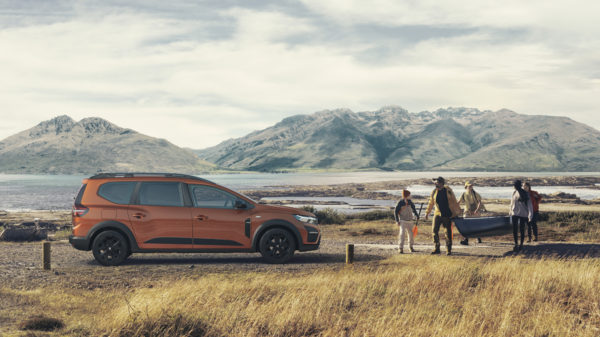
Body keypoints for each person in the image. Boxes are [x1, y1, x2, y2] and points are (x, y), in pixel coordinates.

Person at [424, 177, 461, 255]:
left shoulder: (448, 191)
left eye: (437, 182)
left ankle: (448, 249)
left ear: (441, 183)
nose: (435, 184)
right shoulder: (434, 191)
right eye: (435, 183)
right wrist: (427, 212)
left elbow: (454, 201)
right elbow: (431, 203)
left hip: (447, 214)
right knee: (434, 231)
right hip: (437, 214)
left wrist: (456, 213)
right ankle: (437, 248)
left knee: (447, 232)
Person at [509, 179, 533, 252]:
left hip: (523, 214)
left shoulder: (525, 193)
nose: (514, 187)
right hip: (515, 213)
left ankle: (521, 244)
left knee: (522, 229)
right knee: (514, 229)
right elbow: (511, 202)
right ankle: (516, 244)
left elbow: (529, 205)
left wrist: (530, 215)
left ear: (516, 186)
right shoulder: (514, 192)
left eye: (514, 185)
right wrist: (510, 211)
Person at [394, 189, 420, 253]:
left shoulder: (410, 202)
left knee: (411, 235)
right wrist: (397, 220)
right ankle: (400, 248)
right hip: (402, 221)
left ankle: (411, 247)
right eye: (409, 195)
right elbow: (395, 211)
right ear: (406, 195)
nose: (410, 196)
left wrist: (417, 215)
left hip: (410, 221)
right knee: (402, 234)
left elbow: (414, 209)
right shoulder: (400, 202)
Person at [458, 181, 483, 245]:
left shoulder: (475, 194)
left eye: (471, 186)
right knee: (466, 226)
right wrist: (457, 209)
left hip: (475, 211)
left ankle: (478, 237)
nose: (470, 187)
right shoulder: (463, 194)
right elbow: (458, 202)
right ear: (466, 187)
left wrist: (476, 210)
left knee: (477, 225)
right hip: (467, 211)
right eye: (469, 186)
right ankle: (466, 239)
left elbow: (480, 202)